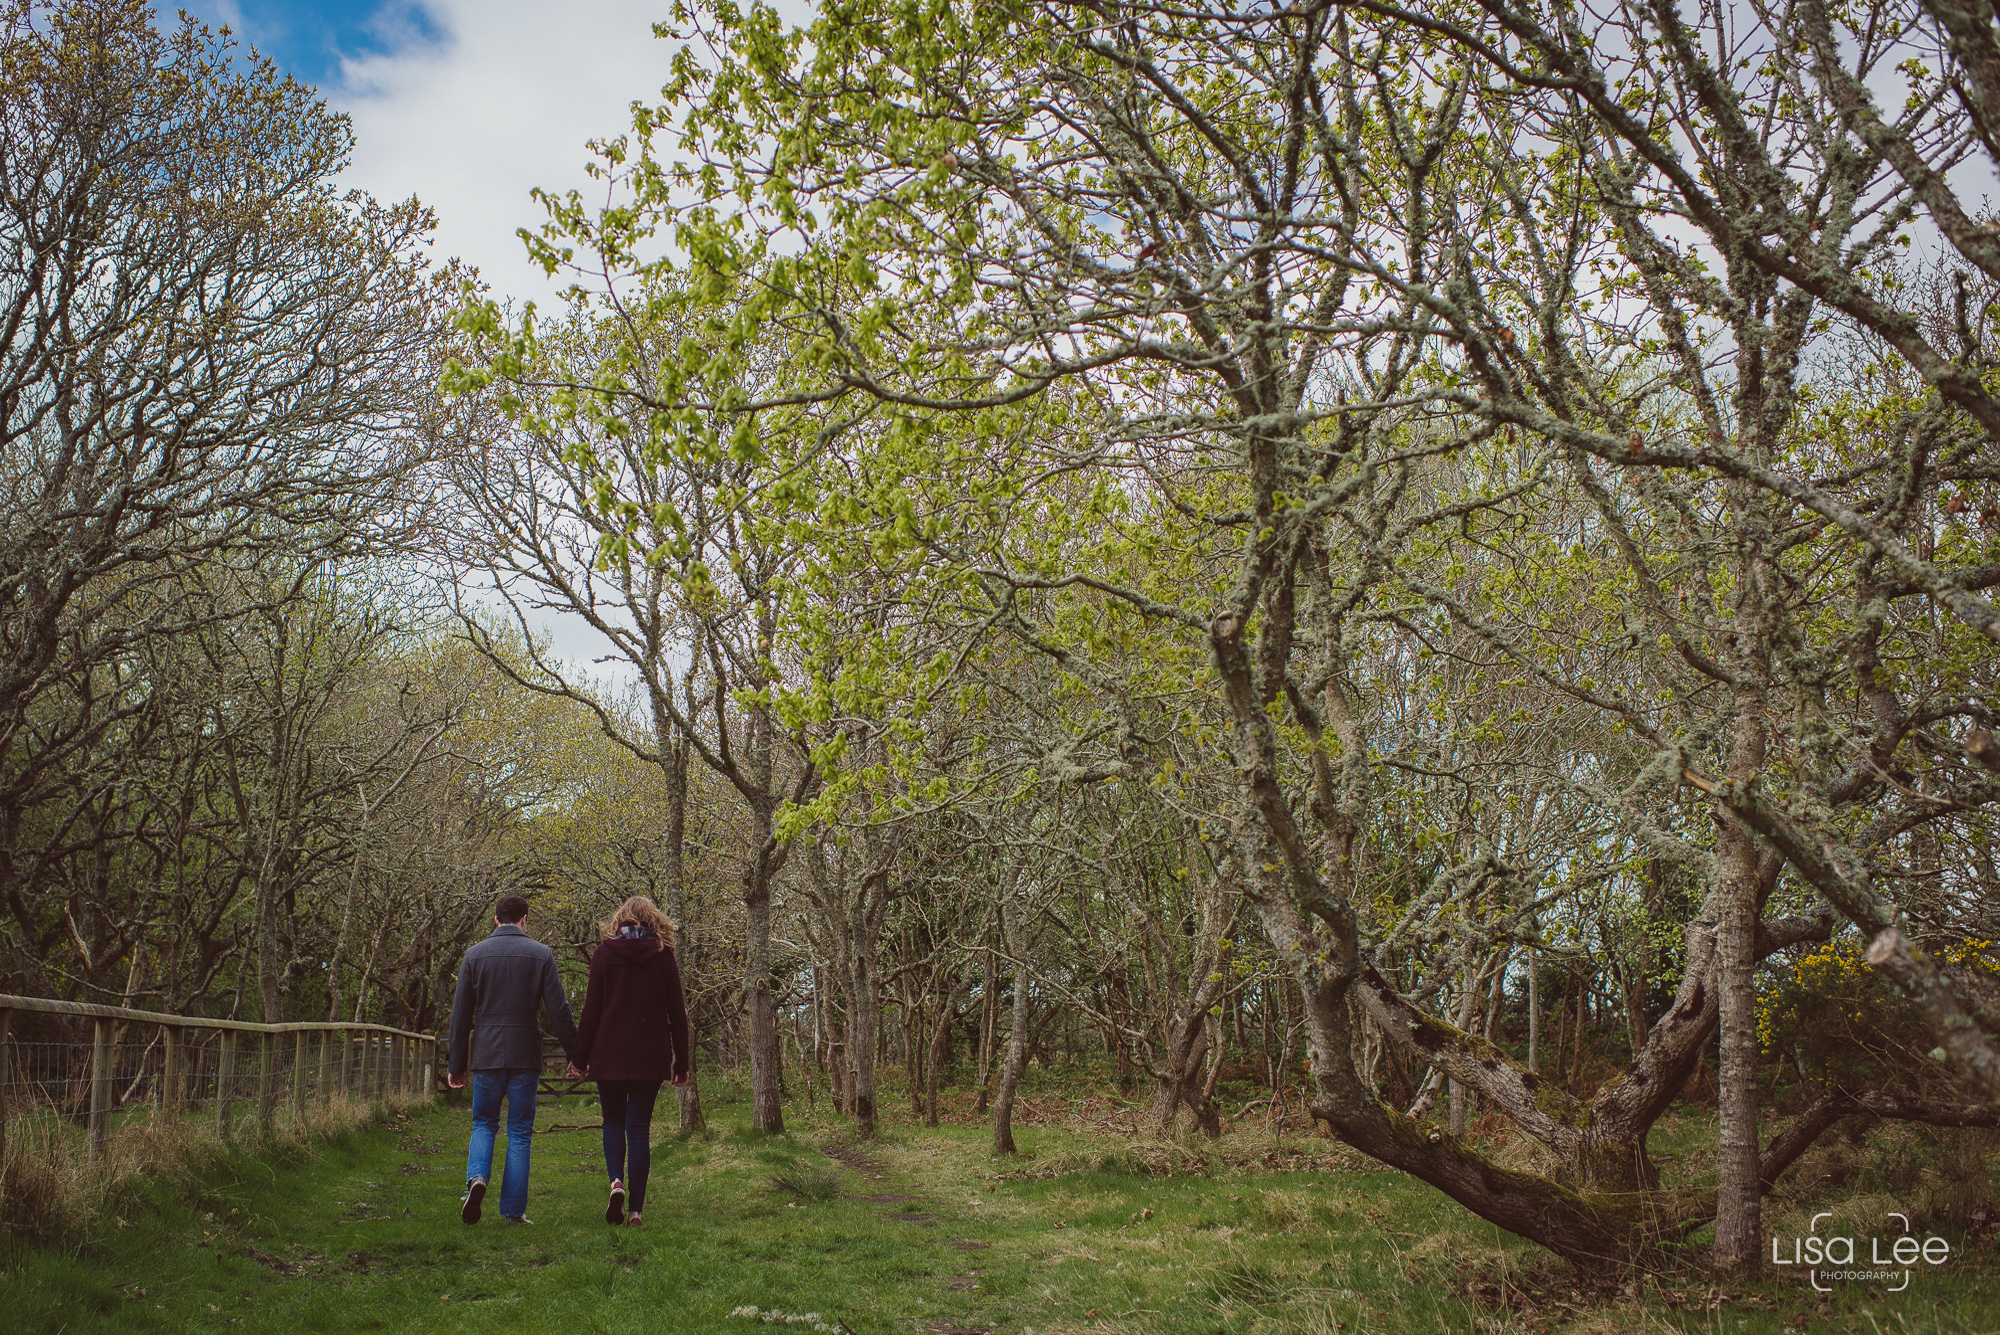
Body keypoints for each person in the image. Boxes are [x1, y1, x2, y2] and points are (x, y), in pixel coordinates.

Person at [446, 892, 576, 1225]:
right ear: (524, 920)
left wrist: (456, 1066)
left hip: (487, 1054)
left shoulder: (474, 956)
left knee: (483, 1123)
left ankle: (477, 1179)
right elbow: (559, 1010)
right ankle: (513, 1212)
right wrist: (577, 1054)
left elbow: (460, 1016)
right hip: (524, 1055)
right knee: (519, 1131)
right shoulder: (541, 955)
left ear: (495, 920)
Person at [566, 895, 691, 1227]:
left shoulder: (604, 954)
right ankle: (635, 1209)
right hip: (651, 1057)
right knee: (638, 1129)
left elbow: (591, 1010)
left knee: (612, 1121)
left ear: (618, 921)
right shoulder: (664, 958)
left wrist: (579, 1058)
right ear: (655, 922)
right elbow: (678, 1015)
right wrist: (682, 1064)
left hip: (609, 1054)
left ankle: (615, 1183)